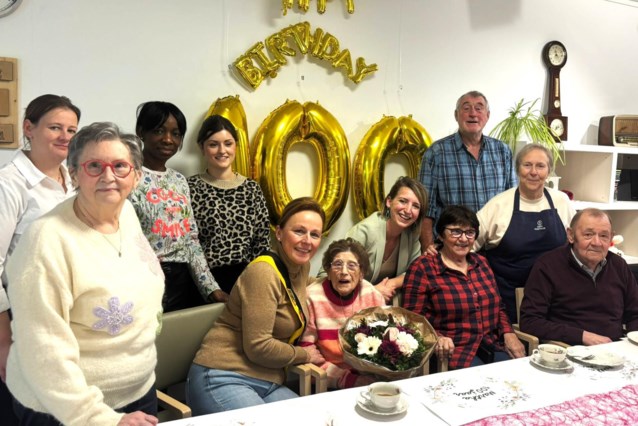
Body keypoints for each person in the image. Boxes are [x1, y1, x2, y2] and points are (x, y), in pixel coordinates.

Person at [5, 122, 163, 425]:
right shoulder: (46, 239)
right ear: (75, 174)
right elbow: (43, 350)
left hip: (138, 391)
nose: (108, 177)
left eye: (120, 166)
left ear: (137, 176)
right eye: (94, 166)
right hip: (64, 408)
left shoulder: (126, 214)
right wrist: (101, 419)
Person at [186, 197, 326, 414]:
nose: (307, 240)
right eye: (299, 231)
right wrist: (305, 355)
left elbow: (304, 286)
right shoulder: (263, 272)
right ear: (278, 233)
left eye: (314, 234)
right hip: (223, 376)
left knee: (315, 418)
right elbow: (259, 347)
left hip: (268, 381)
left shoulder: (301, 267)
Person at [0, 94, 80, 424]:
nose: (65, 137)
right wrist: (4, 341)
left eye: (73, 130)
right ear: (28, 129)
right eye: (55, 127)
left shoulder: (74, 181)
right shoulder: (10, 184)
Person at [129, 101, 226, 312]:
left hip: (182, 282)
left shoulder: (179, 181)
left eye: (176, 133)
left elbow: (191, 240)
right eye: (159, 131)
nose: (168, 139)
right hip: (142, 280)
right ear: (141, 132)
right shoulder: (125, 177)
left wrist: (211, 288)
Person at [402, 205, 525, 370]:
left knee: (519, 380)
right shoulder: (424, 267)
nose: (463, 238)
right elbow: (412, 319)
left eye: (470, 232)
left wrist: (509, 333)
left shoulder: (481, 262)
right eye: (455, 231)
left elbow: (499, 307)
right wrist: (436, 337)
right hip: (453, 353)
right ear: (441, 234)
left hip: (491, 346)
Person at [474, 143, 576, 322]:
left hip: (556, 301)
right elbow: (468, 243)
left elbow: (577, 241)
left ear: (549, 171)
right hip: (507, 303)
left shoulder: (561, 201)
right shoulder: (498, 205)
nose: (533, 172)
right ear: (517, 169)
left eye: (540, 166)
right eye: (527, 165)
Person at [520, 208, 638, 346]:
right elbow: (530, 322)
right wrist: (582, 336)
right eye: (588, 234)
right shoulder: (548, 266)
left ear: (611, 238)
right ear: (570, 235)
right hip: (568, 351)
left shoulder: (619, 265)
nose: (597, 243)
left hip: (615, 351)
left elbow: (635, 313)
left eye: (604, 236)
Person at [418, 90, 517, 249]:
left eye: (479, 108)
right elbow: (425, 209)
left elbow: (512, 202)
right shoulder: (436, 153)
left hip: (495, 247)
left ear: (487, 115)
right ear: (456, 115)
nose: (473, 114)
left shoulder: (502, 151)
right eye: (466, 108)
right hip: (452, 248)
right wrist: (428, 247)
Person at [187, 115, 270, 293]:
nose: (222, 150)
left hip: (248, 281)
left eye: (228, 143)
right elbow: (190, 244)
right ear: (202, 147)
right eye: (213, 144)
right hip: (204, 284)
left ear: (236, 146)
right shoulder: (190, 187)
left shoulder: (252, 189)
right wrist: (209, 288)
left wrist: (258, 283)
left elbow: (262, 243)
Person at [299, 238, 385, 389]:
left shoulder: (371, 294)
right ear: (328, 270)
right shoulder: (312, 297)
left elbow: (386, 337)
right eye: (337, 264)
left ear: (362, 272)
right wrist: (346, 380)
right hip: (328, 383)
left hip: (372, 376)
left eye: (352, 266)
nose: (344, 272)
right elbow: (307, 350)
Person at [336, 176, 427, 302]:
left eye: (416, 206)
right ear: (389, 201)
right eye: (403, 201)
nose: (408, 210)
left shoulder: (412, 236)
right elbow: (333, 274)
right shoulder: (365, 231)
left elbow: (415, 272)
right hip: (350, 301)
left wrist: (393, 283)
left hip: (384, 308)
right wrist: (372, 291)